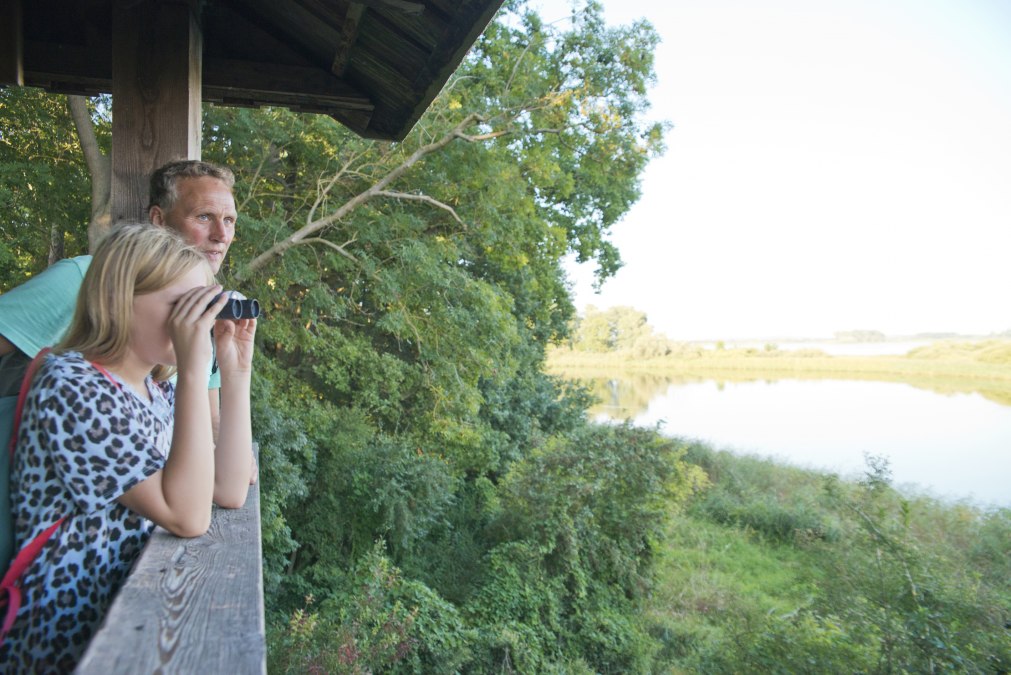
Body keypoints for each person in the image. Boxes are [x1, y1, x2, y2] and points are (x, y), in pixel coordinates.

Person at [0, 223, 255, 671]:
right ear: (121, 300)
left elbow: (230, 489)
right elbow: (188, 515)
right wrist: (195, 369)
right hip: (64, 641)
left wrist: (234, 373)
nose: (197, 321)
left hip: (125, 617)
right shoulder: (72, 384)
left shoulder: (156, 389)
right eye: (183, 306)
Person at [0, 159, 238, 435]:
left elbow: (210, 424)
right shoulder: (87, 278)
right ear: (159, 220)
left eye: (229, 220)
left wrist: (232, 452)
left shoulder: (209, 311)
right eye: (204, 216)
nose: (222, 235)